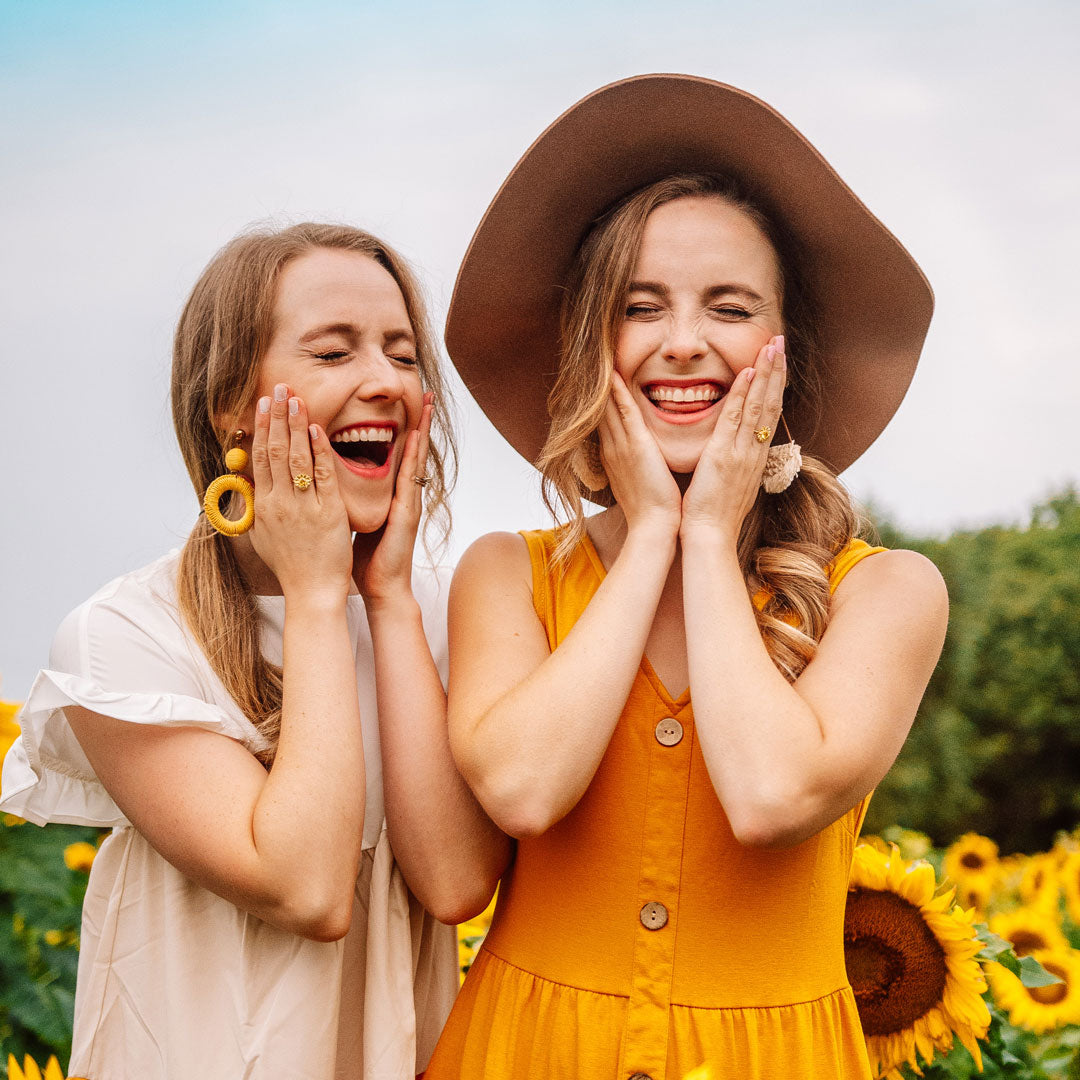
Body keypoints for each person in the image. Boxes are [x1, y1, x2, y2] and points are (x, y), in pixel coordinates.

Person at [422, 76, 948, 1080]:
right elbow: (525, 789)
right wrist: (654, 530)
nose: (684, 342)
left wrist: (707, 539)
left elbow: (769, 794)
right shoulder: (505, 574)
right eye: (641, 306)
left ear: (786, 352)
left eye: (731, 307)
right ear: (594, 346)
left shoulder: (888, 592)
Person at [0, 223, 509, 1080]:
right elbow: (306, 888)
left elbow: (456, 884)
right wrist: (315, 594)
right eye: (333, 353)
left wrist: (381, 599)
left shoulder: (434, 612)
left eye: (403, 353)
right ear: (232, 403)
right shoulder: (126, 636)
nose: (383, 382)